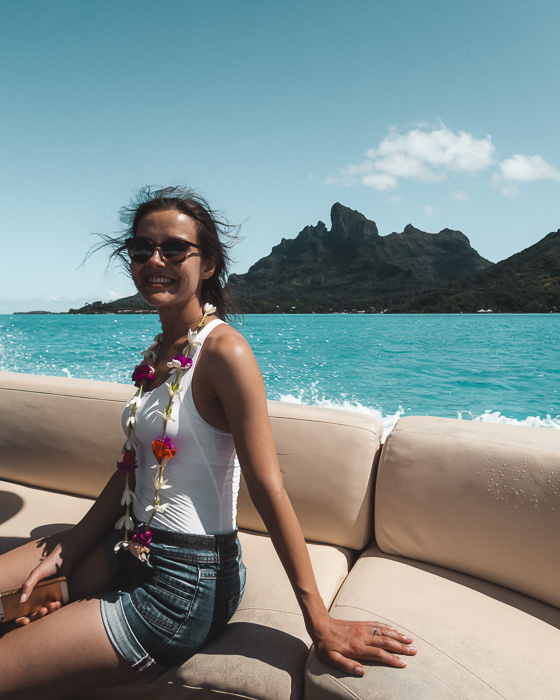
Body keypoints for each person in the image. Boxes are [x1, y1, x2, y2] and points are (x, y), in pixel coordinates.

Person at [0, 187, 416, 697]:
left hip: (183, 585)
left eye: (174, 248)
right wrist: (71, 548)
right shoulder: (160, 351)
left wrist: (319, 620)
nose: (156, 260)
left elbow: (269, 488)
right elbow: (133, 468)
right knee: (9, 601)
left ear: (209, 262)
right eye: (141, 249)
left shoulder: (225, 352)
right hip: (131, 546)